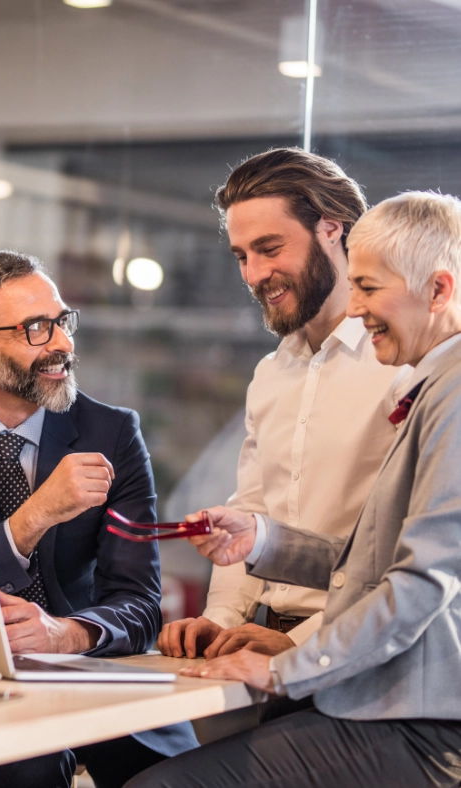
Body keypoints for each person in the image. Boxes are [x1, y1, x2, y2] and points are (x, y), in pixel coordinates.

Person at [126, 191, 461, 788]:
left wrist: (287, 668)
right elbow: (369, 564)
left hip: (419, 722)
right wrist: (262, 541)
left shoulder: (451, 394)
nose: (354, 309)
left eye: (369, 288)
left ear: (438, 291)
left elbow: (420, 583)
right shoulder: (431, 387)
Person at [0, 250, 198, 788]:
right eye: (36, 329)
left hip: (92, 678)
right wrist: (36, 514)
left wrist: (65, 634)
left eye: (63, 322)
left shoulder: (111, 432)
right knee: (25, 764)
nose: (63, 344)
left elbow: (141, 606)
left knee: (181, 776)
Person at [158, 148, 405, 667]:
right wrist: (221, 619)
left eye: (270, 248)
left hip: (357, 653)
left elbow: (410, 554)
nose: (253, 274)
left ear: (332, 229)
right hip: (259, 640)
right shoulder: (271, 373)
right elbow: (249, 512)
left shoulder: (402, 365)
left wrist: (301, 641)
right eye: (242, 255)